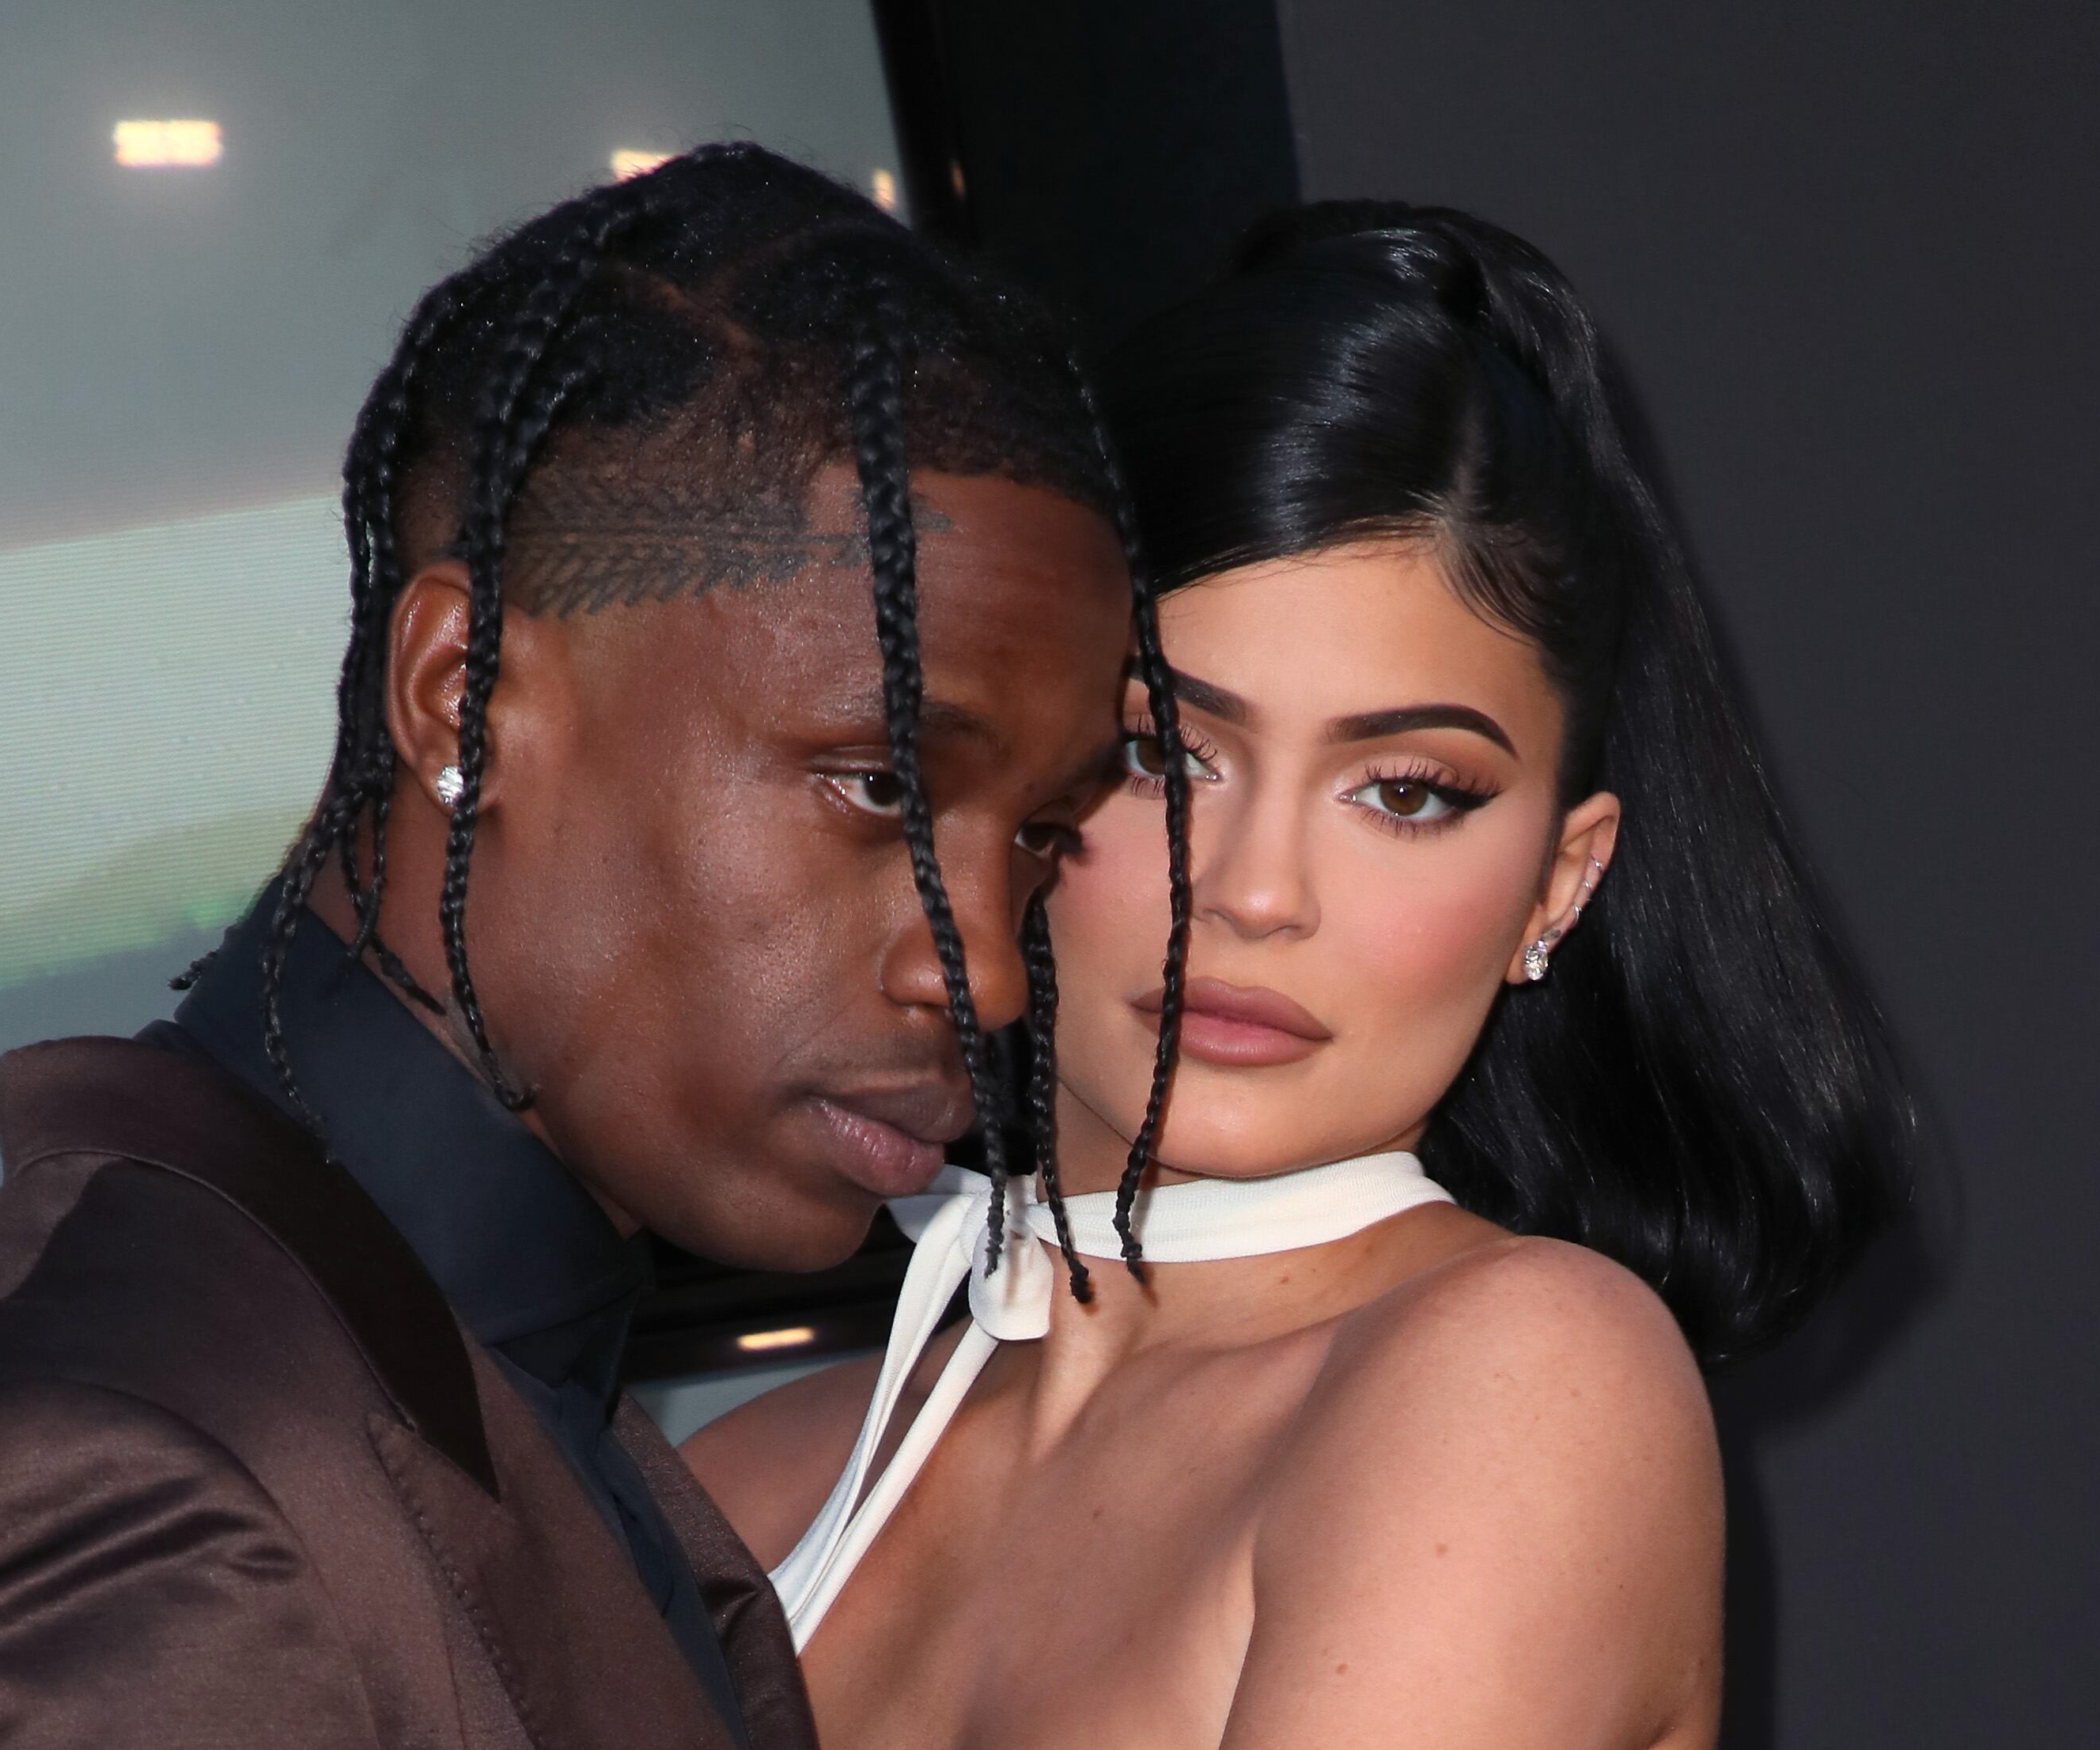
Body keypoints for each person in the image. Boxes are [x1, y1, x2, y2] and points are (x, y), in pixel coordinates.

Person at [0, 144, 1187, 1749]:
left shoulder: (445, 1364)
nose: (983, 975)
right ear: (467, 699)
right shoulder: (153, 1492)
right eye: (881, 785)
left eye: (1039, 835)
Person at [683, 202, 1911, 1748]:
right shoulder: (737, 1491)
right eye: (1165, 752)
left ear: (1559, 882)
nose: (1257, 893)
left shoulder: (1523, 1382)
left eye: (1405, 791)